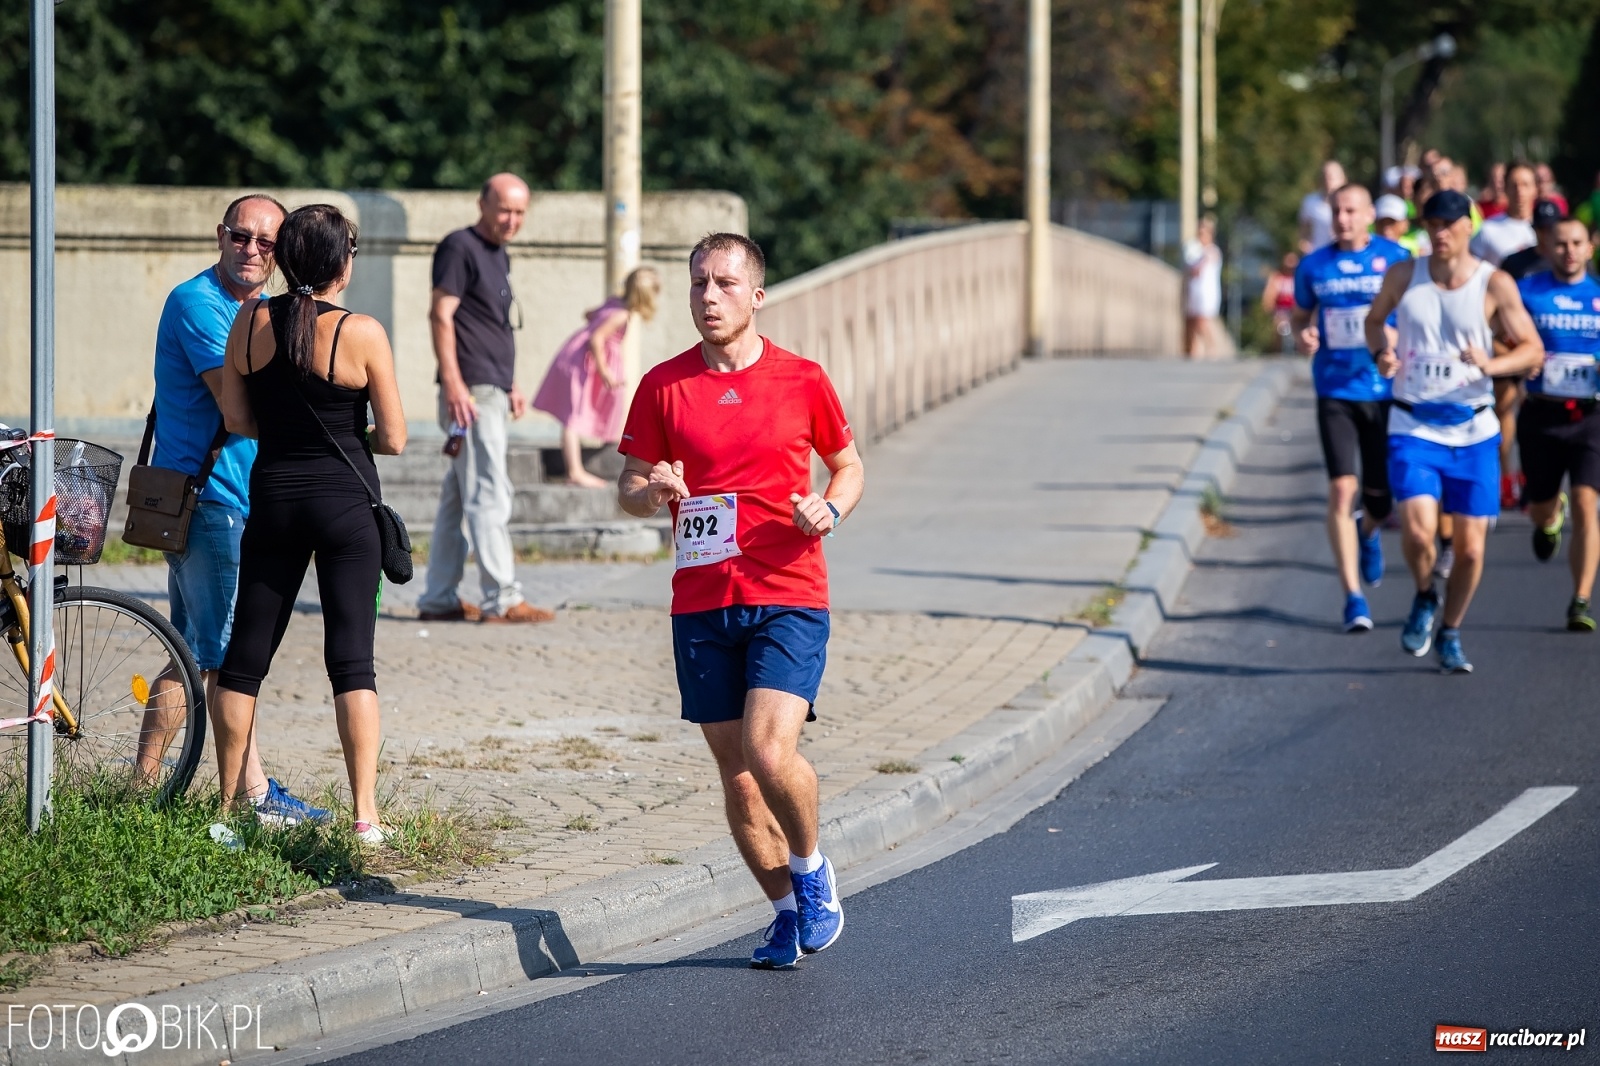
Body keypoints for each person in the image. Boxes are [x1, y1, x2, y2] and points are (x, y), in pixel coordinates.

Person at [616, 233, 865, 969]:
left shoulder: (802, 379)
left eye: (724, 284)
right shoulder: (663, 385)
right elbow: (628, 488)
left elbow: (847, 467)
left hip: (788, 591)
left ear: (756, 295)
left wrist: (830, 508)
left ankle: (813, 870)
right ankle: (785, 912)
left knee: (767, 747)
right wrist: (651, 490)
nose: (708, 297)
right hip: (700, 601)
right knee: (739, 776)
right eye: (698, 284)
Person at [215, 204, 408, 843]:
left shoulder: (248, 320)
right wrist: (348, 437)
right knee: (352, 661)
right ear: (340, 263)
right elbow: (397, 438)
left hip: (271, 499)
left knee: (245, 659)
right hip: (346, 508)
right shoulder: (363, 332)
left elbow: (240, 420)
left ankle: (226, 814)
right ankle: (365, 816)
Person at [135, 193, 326, 825]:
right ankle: (251, 796)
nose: (251, 251)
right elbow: (239, 404)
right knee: (224, 656)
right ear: (220, 236)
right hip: (210, 497)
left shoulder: (260, 309)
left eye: (266, 244)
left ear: (280, 253)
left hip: (232, 495)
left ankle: (145, 785)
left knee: (193, 647)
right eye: (240, 237)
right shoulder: (199, 304)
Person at [1364, 190, 1543, 673]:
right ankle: (1425, 596)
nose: (1440, 232)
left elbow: (1532, 349)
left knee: (1469, 549)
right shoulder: (1405, 275)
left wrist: (1494, 362)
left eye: (1449, 223)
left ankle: (1451, 630)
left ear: (1469, 225)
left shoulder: (1494, 284)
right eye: (1432, 223)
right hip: (1414, 422)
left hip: (1473, 429)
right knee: (1420, 533)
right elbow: (1374, 320)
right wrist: (1381, 352)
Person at [416, 173, 554, 625]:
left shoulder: (498, 254)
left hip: (489, 388)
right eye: (504, 210)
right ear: (482, 204)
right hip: (470, 393)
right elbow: (441, 314)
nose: (512, 220)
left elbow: (491, 324)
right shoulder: (459, 247)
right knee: (490, 491)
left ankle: (438, 597)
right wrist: (455, 385)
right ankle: (502, 597)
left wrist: (510, 383)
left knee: (460, 496)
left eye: (519, 212)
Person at [1292, 184, 1409, 631]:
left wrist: (1395, 343)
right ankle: (1353, 598)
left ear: (1368, 215)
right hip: (1335, 390)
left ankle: (1370, 530)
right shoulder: (1314, 266)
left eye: (1351, 211)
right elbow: (1301, 316)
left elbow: (1412, 313)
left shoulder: (1395, 258)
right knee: (1343, 489)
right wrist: (1304, 333)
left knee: (1381, 499)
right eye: (1337, 211)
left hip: (1382, 392)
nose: (1343, 220)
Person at [1516, 218, 1600, 630]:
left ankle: (1580, 599)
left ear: (1591, 247)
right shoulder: (1528, 291)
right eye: (1561, 243)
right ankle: (1549, 516)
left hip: (1591, 416)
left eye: (1577, 243)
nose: (1569, 250)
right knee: (1540, 505)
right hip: (1541, 414)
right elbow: (1499, 335)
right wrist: (1519, 357)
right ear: (1548, 246)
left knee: (1589, 505)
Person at [532, 267, 661, 488]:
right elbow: (596, 338)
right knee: (573, 415)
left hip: (576, 356)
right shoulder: (621, 314)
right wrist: (604, 371)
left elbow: (589, 315)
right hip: (587, 361)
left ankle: (604, 442)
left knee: (591, 406)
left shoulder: (613, 303)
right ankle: (574, 471)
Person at [1183, 216, 1223, 358]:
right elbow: (1190, 269)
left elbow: (1202, 269)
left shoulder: (1214, 251)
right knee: (1192, 321)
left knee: (1203, 320)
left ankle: (1212, 348)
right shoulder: (1193, 249)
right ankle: (1193, 351)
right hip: (1193, 290)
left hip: (1207, 292)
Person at [1501, 200, 1564, 281]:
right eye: (1542, 228)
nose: (1546, 233)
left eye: (1551, 228)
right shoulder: (1514, 263)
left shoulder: (1569, 261)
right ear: (1533, 228)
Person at [1298, 160, 1346, 253]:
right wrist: (1305, 247)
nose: (1327, 180)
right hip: (1319, 254)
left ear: (1342, 178)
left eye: (1332, 177)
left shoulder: (1351, 201)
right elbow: (1303, 230)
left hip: (1344, 253)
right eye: (1325, 176)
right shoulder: (1310, 201)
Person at [1260, 252, 1298, 354]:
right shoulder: (1277, 278)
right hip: (1280, 312)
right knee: (1278, 328)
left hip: (1297, 312)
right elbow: (1268, 298)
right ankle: (1277, 351)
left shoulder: (1299, 278)